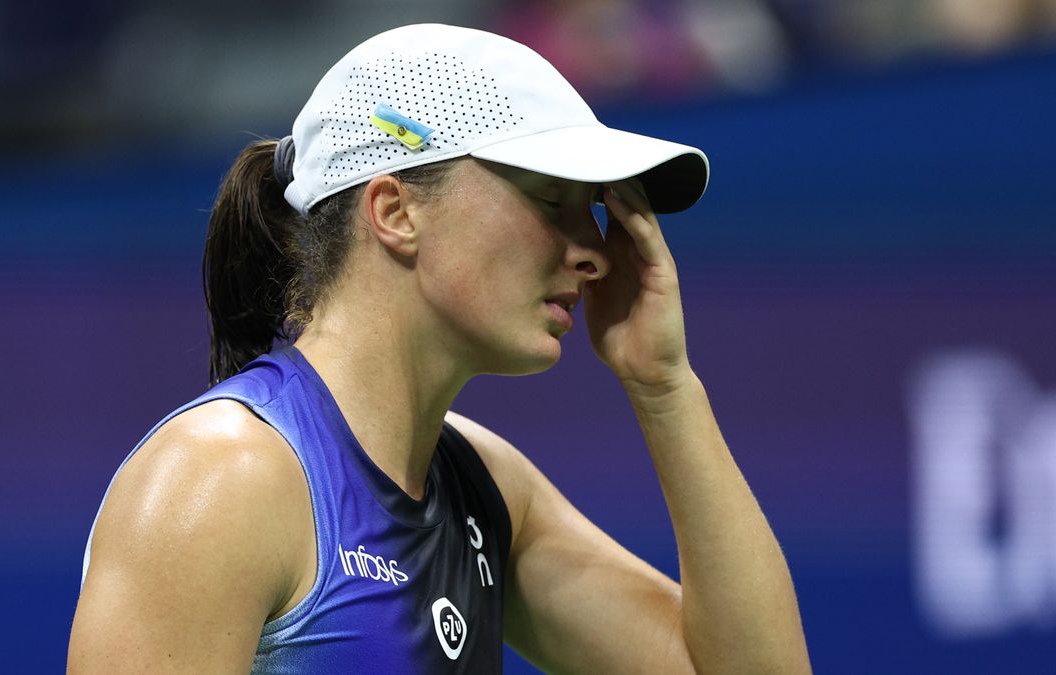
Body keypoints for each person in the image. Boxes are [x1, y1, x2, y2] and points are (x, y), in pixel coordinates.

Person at [67, 23, 810, 674]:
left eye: (590, 211)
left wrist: (665, 386)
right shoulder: (220, 481)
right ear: (395, 211)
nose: (595, 251)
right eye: (553, 200)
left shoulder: (488, 487)